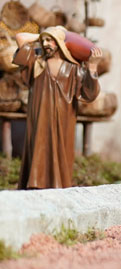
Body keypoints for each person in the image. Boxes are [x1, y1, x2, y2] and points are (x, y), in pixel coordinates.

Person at [13, 26, 102, 189]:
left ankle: (59, 188)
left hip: (64, 121)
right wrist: (45, 35)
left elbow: (89, 94)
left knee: (62, 154)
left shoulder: (73, 68)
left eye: (51, 40)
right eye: (44, 41)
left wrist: (92, 68)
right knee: (37, 149)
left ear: (61, 43)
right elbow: (20, 37)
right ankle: (34, 185)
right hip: (39, 117)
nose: (46, 44)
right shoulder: (37, 64)